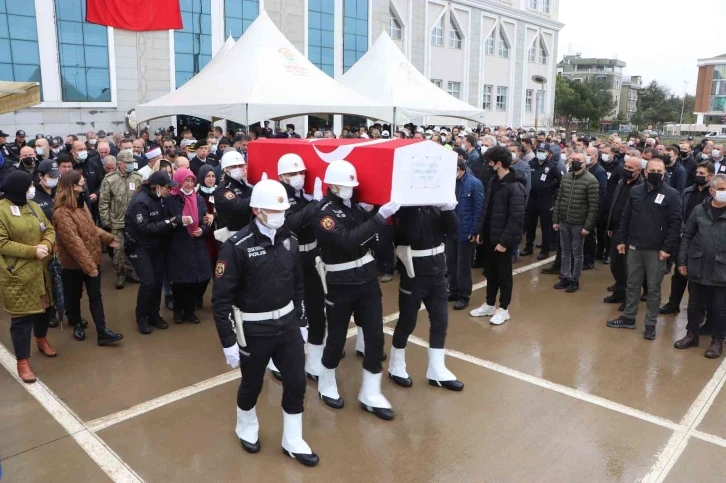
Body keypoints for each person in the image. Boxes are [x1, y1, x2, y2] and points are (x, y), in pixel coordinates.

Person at [212, 179, 318, 467]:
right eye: (274, 210)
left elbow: (298, 286)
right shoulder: (236, 247)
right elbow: (221, 299)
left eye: (282, 210)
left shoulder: (290, 240)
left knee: (296, 383)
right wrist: (229, 341)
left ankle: (292, 439)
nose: (280, 215)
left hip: (287, 326)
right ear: (256, 209)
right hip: (253, 330)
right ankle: (246, 426)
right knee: (252, 384)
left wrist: (302, 319)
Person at [312, 160, 399, 420]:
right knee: (337, 338)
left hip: (367, 278)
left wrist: (372, 214)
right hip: (340, 282)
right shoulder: (323, 212)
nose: (350, 189)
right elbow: (348, 241)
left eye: (352, 185)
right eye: (345, 185)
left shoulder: (355, 207)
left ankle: (370, 392)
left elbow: (368, 234)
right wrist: (379, 217)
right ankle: (326, 382)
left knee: (375, 336)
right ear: (332, 185)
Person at [389, 200, 464, 390]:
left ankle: (436, 369)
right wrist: (415, 205)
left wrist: (447, 209)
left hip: (437, 271)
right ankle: (396, 364)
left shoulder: (435, 206)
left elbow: (454, 229)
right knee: (407, 321)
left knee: (440, 321)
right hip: (414, 273)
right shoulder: (403, 207)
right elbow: (410, 234)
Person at [608, 158, 682, 340]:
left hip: (657, 251)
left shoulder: (672, 195)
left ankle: (650, 324)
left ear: (664, 173)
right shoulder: (635, 191)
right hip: (634, 247)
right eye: (652, 170)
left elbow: (675, 224)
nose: (656, 173)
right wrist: (621, 240)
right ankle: (628, 317)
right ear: (645, 172)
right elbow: (626, 217)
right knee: (632, 284)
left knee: (654, 289)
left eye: (659, 170)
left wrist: (667, 248)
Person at [52, 171, 123, 345]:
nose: (84, 186)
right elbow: (73, 243)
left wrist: (108, 239)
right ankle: (76, 323)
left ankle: (102, 331)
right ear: (72, 187)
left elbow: (90, 228)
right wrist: (89, 266)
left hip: (92, 258)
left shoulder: (81, 205)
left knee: (95, 295)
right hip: (74, 264)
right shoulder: (61, 213)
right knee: (74, 296)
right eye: (81, 184)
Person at [0, 170, 56, 383]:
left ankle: (41, 339)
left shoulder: (32, 207)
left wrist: (46, 244)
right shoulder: (1, 211)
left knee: (44, 309)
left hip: (41, 269)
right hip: (18, 273)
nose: (32, 189)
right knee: (21, 319)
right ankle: (22, 361)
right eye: (29, 186)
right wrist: (32, 251)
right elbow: (2, 242)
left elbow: (49, 229)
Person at [276, 154, 328, 381]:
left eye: (301, 172)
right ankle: (276, 359)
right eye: (293, 173)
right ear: (281, 177)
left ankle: (314, 360)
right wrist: (315, 204)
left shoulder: (304, 196)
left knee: (316, 310)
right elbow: (292, 223)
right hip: (290, 259)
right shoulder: (279, 197)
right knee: (287, 311)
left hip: (313, 258)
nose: (299, 177)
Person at [470, 146, 526, 324]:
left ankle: (503, 308)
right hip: (489, 237)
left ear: (499, 163)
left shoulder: (515, 187)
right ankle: (489, 304)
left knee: (504, 274)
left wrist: (504, 242)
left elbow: (516, 219)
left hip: (502, 240)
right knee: (491, 272)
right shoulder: (493, 181)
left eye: (490, 162)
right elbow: (485, 209)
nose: (488, 165)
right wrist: (480, 231)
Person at [675, 174, 726, 358]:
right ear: (712, 191)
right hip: (698, 264)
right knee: (694, 304)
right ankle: (692, 334)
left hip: (722, 270)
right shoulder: (699, 210)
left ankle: (718, 340)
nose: (724, 193)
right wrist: (682, 261)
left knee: (720, 308)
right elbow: (687, 236)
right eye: (721, 190)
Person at [125, 171, 180, 334]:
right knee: (148, 282)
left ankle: (154, 315)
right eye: (167, 188)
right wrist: (168, 223)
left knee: (156, 283)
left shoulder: (161, 199)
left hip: (157, 246)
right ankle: (141, 316)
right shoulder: (140, 202)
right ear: (157, 187)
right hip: (139, 247)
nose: (169, 191)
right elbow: (145, 227)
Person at [661, 161, 715, 316]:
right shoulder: (687, 192)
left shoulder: (713, 195)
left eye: (702, 174)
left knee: (699, 277)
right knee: (679, 273)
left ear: (710, 176)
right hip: (685, 238)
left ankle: (699, 308)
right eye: (697, 173)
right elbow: (680, 213)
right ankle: (673, 303)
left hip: (704, 242)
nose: (698, 176)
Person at [164, 168, 212, 324]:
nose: (190, 184)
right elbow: (165, 220)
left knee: (194, 281)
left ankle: (190, 312)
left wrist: (202, 230)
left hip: (196, 245)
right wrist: (178, 219)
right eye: (186, 181)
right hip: (178, 244)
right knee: (179, 282)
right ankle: (178, 311)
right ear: (179, 181)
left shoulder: (198, 199)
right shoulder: (171, 199)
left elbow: (206, 221)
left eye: (192, 181)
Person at [551, 152, 599, 293]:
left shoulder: (591, 180)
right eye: (573, 159)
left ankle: (574, 279)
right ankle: (565, 276)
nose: (575, 162)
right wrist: (556, 219)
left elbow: (593, 206)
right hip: (564, 221)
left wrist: (588, 226)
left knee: (577, 252)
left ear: (585, 163)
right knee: (565, 250)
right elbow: (559, 200)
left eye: (579, 160)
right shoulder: (566, 177)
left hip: (579, 222)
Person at [99, 150, 143, 289]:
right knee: (118, 250)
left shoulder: (137, 177)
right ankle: (120, 273)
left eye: (131, 163)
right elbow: (104, 202)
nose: (130, 165)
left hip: (134, 222)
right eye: (127, 163)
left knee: (133, 248)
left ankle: (131, 271)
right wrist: (106, 221)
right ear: (120, 164)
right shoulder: (110, 179)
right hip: (116, 221)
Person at [604, 155, 643, 306]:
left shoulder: (640, 188)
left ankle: (629, 298)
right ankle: (619, 291)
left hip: (630, 233)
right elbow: (615, 204)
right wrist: (610, 225)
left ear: (639, 171)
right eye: (625, 166)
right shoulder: (621, 182)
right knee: (616, 264)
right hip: (616, 229)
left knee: (629, 268)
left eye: (630, 168)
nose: (626, 170)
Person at [446, 159, 484, 310]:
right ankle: (453, 289)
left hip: (466, 231)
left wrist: (474, 230)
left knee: (463, 266)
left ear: (458, 168)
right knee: (451, 262)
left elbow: (479, 209)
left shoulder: (474, 183)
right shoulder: (450, 183)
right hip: (451, 230)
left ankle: (463, 295)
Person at [521, 143, 561, 260]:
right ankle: (528, 247)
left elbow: (559, 181)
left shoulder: (552, 166)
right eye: (539, 150)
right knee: (530, 224)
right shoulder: (531, 163)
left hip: (546, 199)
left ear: (548, 153)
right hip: (532, 198)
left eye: (543, 151)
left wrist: (550, 187)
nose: (540, 153)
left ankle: (545, 250)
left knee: (546, 226)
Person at [196, 164, 219, 308]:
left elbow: (225, 210)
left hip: (217, 235)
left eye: (213, 176)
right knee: (204, 269)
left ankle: (217, 299)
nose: (211, 179)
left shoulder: (219, 192)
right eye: (207, 176)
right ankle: (197, 297)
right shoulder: (196, 193)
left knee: (218, 269)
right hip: (203, 236)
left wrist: (214, 215)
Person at [214, 151, 253, 233]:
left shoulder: (244, 185)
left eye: (240, 166)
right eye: (234, 166)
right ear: (225, 169)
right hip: (231, 233)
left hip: (246, 230)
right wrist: (258, 195)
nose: (238, 168)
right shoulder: (223, 189)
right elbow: (238, 206)